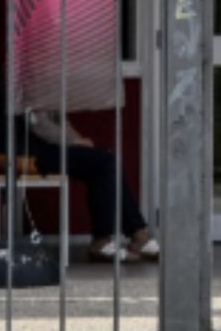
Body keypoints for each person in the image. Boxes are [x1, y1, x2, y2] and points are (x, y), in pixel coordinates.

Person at [24, 109, 160, 263]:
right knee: (105, 162)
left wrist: (78, 140)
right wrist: (74, 142)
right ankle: (117, 238)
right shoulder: (29, 89)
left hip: (50, 148)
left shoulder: (48, 90)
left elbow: (60, 120)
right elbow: (38, 125)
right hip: (31, 151)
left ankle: (135, 235)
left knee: (104, 164)